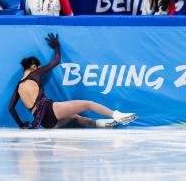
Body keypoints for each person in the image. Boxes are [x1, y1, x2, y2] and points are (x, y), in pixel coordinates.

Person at [9, 33, 137, 129]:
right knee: (88, 104)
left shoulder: (18, 87)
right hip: (50, 110)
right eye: (39, 66)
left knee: (75, 117)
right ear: (33, 66)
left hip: (44, 122)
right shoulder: (35, 73)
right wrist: (56, 47)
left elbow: (11, 108)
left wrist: (21, 125)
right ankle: (117, 115)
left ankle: (103, 124)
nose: (41, 68)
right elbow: (56, 60)